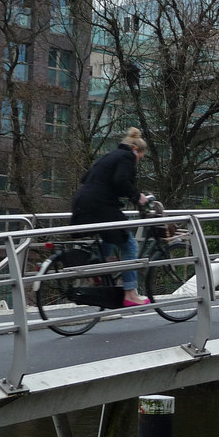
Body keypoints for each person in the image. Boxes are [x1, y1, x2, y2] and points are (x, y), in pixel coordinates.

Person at [71, 127, 150, 306]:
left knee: (111, 237)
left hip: (83, 201)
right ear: (136, 150)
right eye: (140, 157)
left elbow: (86, 178)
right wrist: (138, 197)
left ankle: (96, 269)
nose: (137, 161)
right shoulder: (127, 157)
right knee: (129, 245)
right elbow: (120, 180)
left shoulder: (111, 155)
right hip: (100, 205)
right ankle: (130, 294)